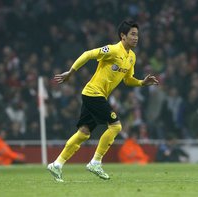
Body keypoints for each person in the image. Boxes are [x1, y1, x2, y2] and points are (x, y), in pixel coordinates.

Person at [47, 20, 159, 182]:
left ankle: (56, 164)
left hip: (93, 95)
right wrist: (71, 72)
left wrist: (142, 82)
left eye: (137, 35)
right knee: (116, 126)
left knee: (84, 133)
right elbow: (88, 54)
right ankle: (96, 162)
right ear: (123, 36)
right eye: (133, 34)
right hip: (94, 93)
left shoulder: (132, 57)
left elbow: (128, 80)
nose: (136, 38)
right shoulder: (112, 50)